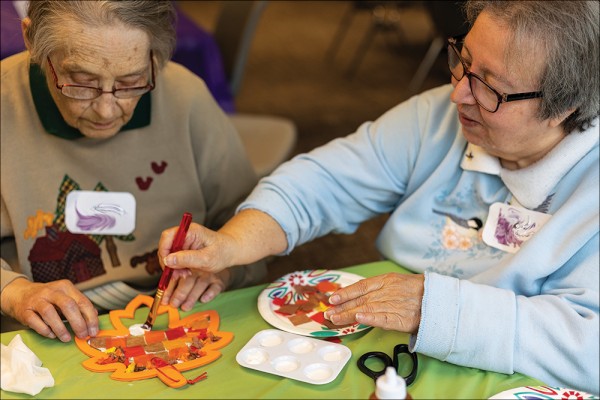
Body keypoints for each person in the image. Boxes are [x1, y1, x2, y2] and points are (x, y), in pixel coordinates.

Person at [157, 0, 599, 394]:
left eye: (491, 87)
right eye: (461, 60)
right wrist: (233, 243)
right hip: (391, 347)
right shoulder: (438, 116)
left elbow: (588, 349)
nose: (457, 93)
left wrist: (437, 308)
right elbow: (324, 181)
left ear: (565, 108)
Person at [0, 0, 266, 343]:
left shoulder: (185, 97)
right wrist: (13, 291)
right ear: (32, 40)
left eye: (131, 81)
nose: (107, 110)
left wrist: (226, 267)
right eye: (81, 83)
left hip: (178, 318)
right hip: (42, 335)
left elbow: (252, 224)